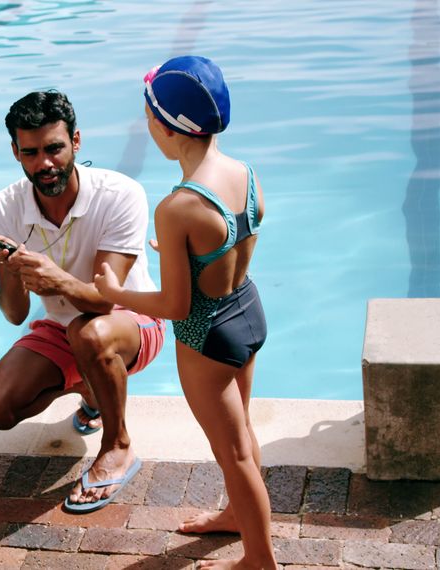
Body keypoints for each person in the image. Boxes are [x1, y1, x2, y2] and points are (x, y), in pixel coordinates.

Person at [93, 56, 274, 569]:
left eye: (148, 116)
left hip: (207, 338)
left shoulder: (177, 207)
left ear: (166, 126)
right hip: (247, 311)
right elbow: (230, 237)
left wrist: (115, 290)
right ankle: (238, 519)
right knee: (242, 438)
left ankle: (260, 561)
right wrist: (178, 253)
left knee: (233, 453)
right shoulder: (245, 173)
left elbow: (175, 306)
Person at [0, 91, 165, 513]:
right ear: (15, 152)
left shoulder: (120, 195)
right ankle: (93, 389)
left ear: (76, 141)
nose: (44, 163)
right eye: (30, 153)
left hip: (130, 320)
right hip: (63, 329)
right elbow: (15, 315)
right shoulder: (6, 205)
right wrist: (12, 274)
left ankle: (118, 445)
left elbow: (105, 300)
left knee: (90, 331)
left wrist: (54, 278)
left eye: (54, 148)